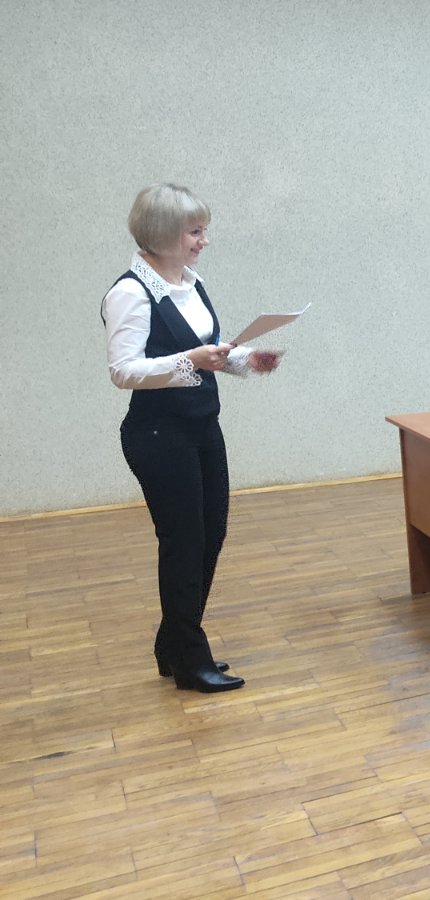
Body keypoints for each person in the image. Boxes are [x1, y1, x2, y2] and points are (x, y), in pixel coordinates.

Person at [104, 183, 282, 693]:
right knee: (183, 543)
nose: (204, 241)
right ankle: (189, 658)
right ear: (163, 233)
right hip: (158, 435)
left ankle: (174, 645)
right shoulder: (130, 293)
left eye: (203, 231)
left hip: (202, 426)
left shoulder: (189, 281)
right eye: (195, 232)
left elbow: (208, 351)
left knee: (211, 535)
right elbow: (123, 371)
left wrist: (246, 360)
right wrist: (190, 360)